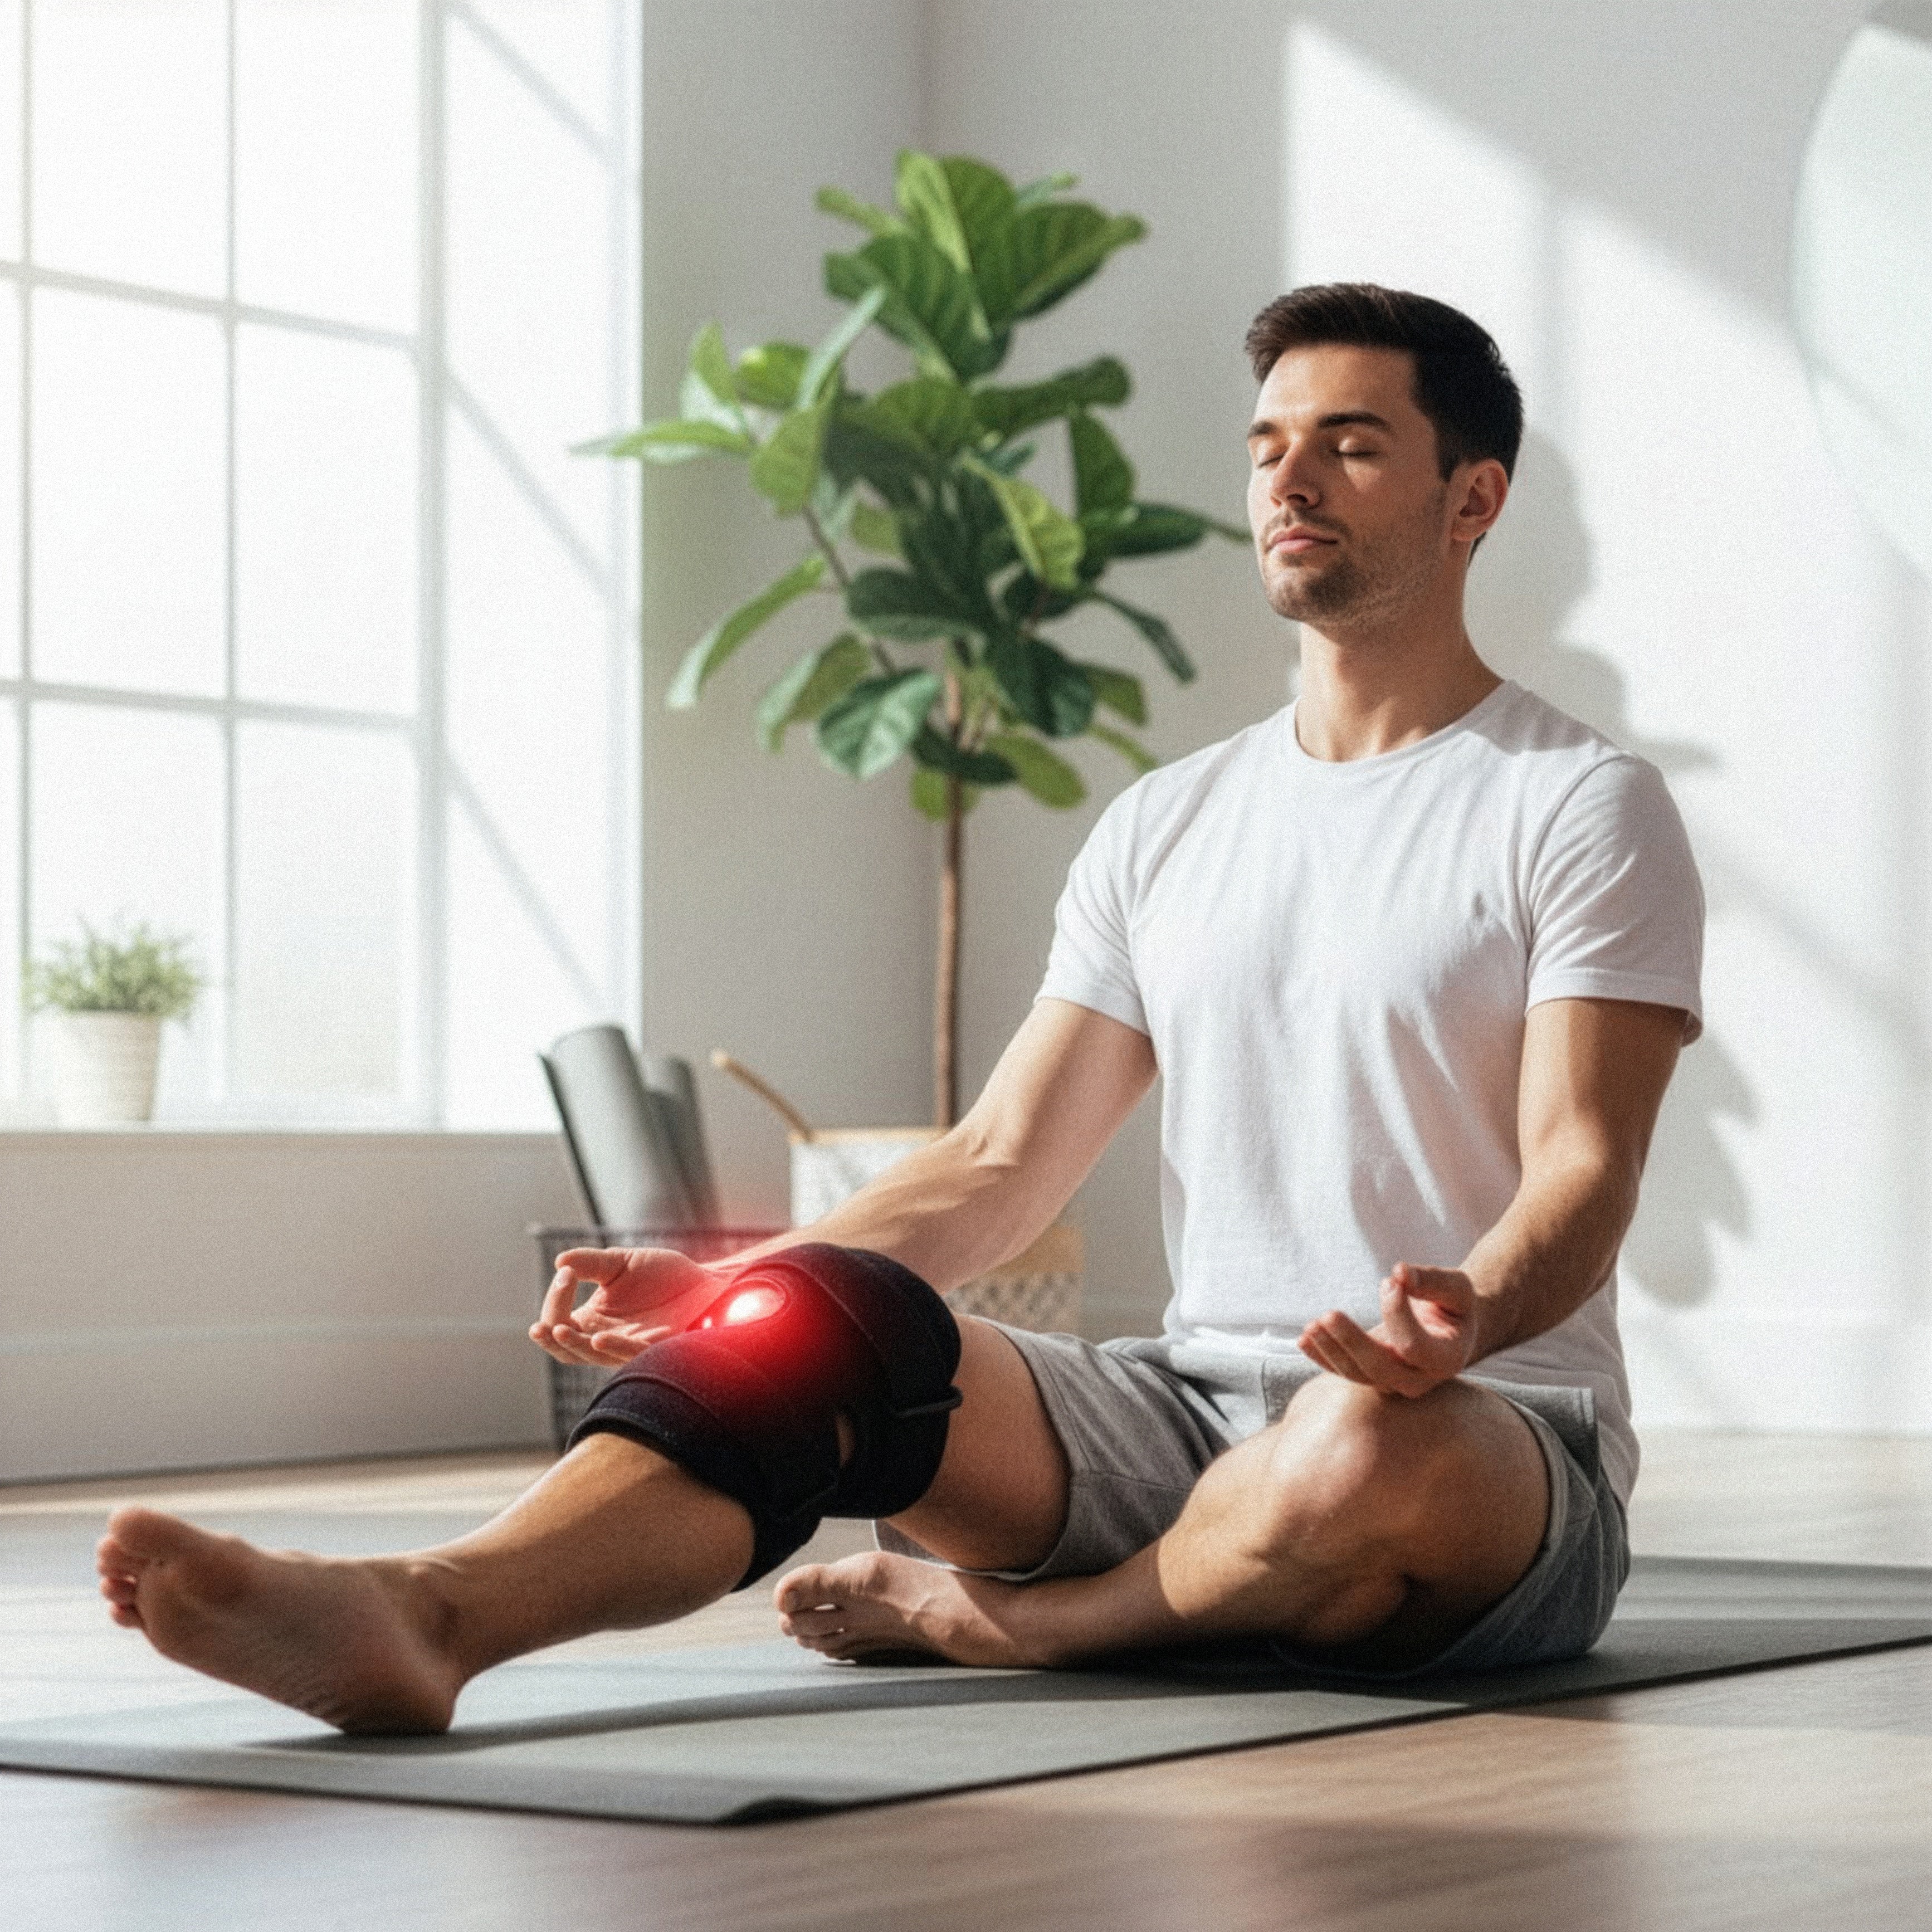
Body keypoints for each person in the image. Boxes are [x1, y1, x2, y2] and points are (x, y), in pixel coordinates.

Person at [95, 283, 1701, 1733]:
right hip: (1184, 1415)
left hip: (1481, 1441)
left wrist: (1458, 1322)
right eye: (1270, 443)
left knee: (1359, 1446)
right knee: (838, 1321)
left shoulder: (1572, 802)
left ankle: (1012, 1624)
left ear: (1469, 497)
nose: (1289, 481)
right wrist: (737, 1287)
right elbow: (998, 1160)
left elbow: (1580, 1169)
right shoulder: (1169, 821)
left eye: (1352, 445)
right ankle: (428, 1612)